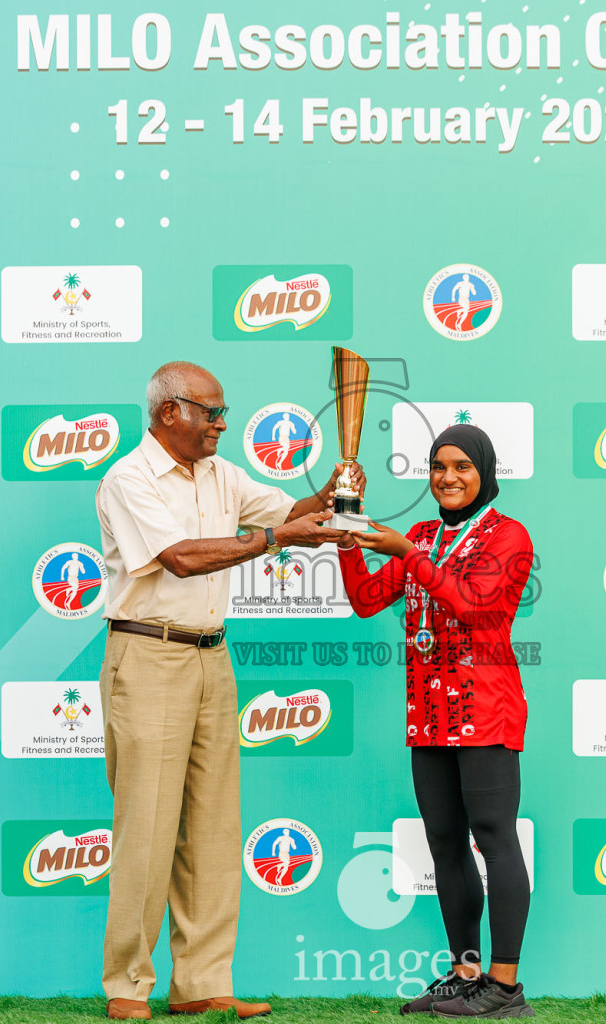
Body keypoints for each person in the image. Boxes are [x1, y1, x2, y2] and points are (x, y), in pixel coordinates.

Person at [95, 361, 354, 1021]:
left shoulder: (221, 474)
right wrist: (274, 539)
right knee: (147, 825)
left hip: (212, 656)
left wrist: (333, 491)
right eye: (211, 412)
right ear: (169, 413)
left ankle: (201, 982)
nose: (221, 424)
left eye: (222, 412)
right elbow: (180, 557)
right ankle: (128, 984)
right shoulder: (129, 478)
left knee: (212, 826)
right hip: (148, 653)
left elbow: (291, 513)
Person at [339, 424, 536, 1019]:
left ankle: (504, 989)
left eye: (462, 467)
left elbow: (475, 607)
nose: (448, 477)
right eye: (438, 466)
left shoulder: (508, 535)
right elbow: (366, 600)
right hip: (428, 714)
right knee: (445, 844)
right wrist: (347, 537)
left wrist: (409, 555)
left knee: (495, 839)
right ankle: (466, 975)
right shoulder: (424, 536)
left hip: (485, 711)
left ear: (485, 472)